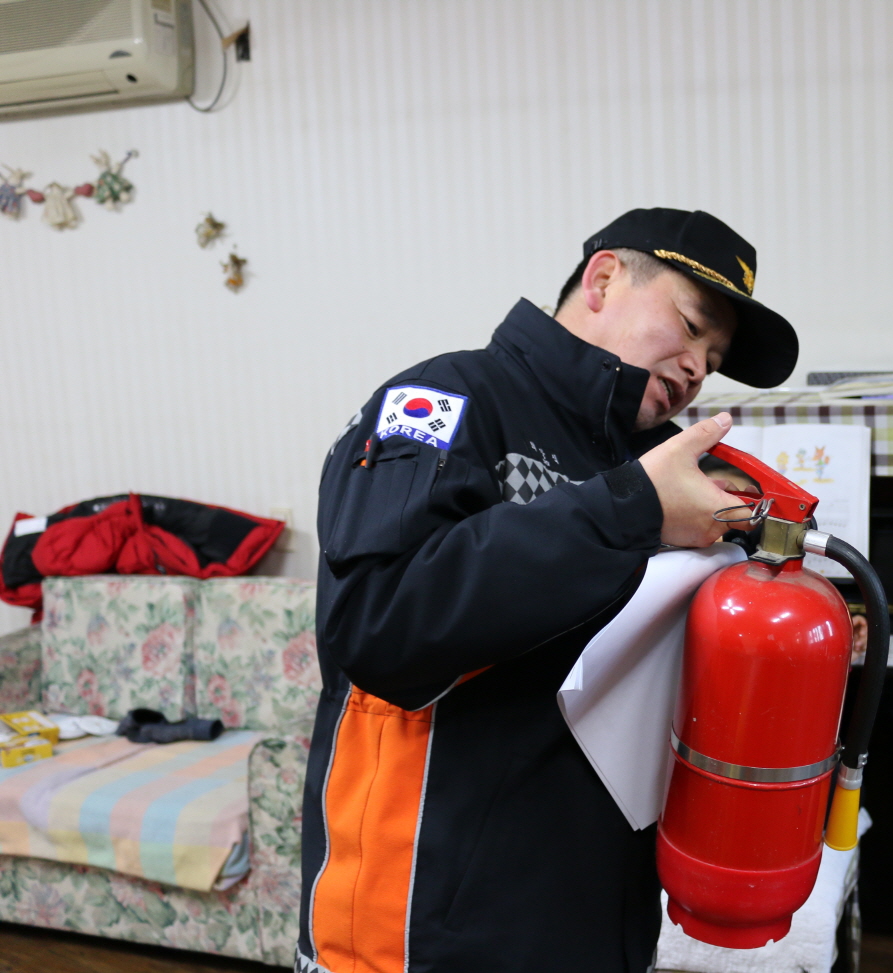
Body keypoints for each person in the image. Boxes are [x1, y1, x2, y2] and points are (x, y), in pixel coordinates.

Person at [297, 209, 798, 973]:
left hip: (591, 904)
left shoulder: (659, 463)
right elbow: (377, 624)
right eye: (692, 326)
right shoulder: (445, 399)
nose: (698, 366)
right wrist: (629, 507)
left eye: (715, 357)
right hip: (429, 916)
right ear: (603, 279)